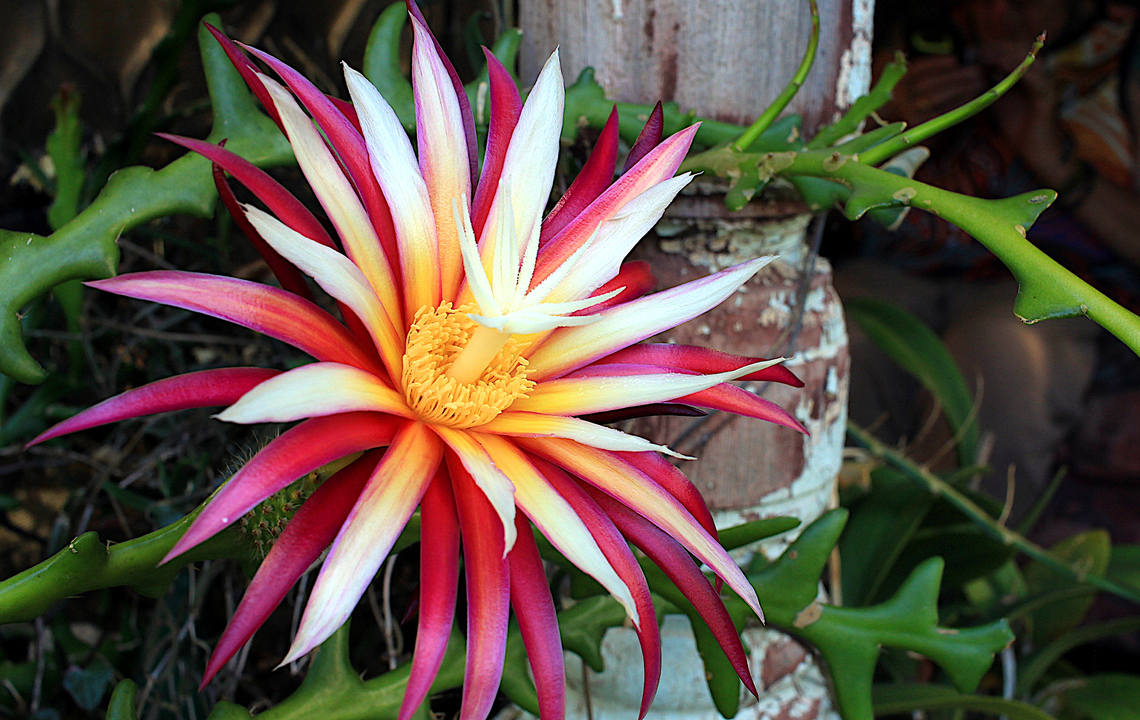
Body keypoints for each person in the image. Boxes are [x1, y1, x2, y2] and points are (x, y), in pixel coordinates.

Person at [837, 0, 1140, 520]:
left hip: (1051, 284)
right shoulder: (915, 36)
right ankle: (835, 562)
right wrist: (890, 122)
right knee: (843, 329)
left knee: (1002, 352)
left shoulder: (1121, 54)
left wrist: (1052, 157)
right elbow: (827, 194)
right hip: (896, 271)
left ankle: (956, 578)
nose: (1001, 14)